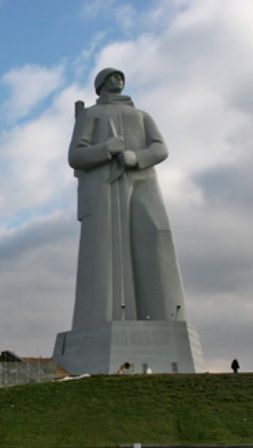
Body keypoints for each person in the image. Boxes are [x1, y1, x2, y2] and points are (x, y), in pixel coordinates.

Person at [68, 68, 186, 327]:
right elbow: (75, 156)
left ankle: (165, 317)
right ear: (100, 85)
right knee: (106, 252)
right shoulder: (91, 115)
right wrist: (106, 149)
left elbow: (160, 147)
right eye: (112, 76)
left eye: (120, 76)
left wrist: (136, 157)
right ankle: (102, 320)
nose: (118, 80)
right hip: (105, 187)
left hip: (143, 181)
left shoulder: (142, 116)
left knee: (155, 236)